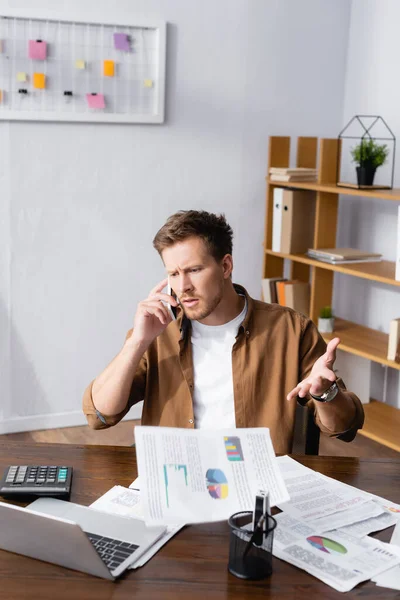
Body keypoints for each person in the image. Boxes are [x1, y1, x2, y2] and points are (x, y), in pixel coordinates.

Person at [83, 210, 364, 454]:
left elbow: (345, 427)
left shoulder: (291, 329)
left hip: (257, 487)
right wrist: (138, 342)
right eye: (173, 274)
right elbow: (99, 415)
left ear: (226, 266)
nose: (182, 287)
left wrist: (326, 394)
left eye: (194, 270)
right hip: (177, 480)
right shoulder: (158, 331)